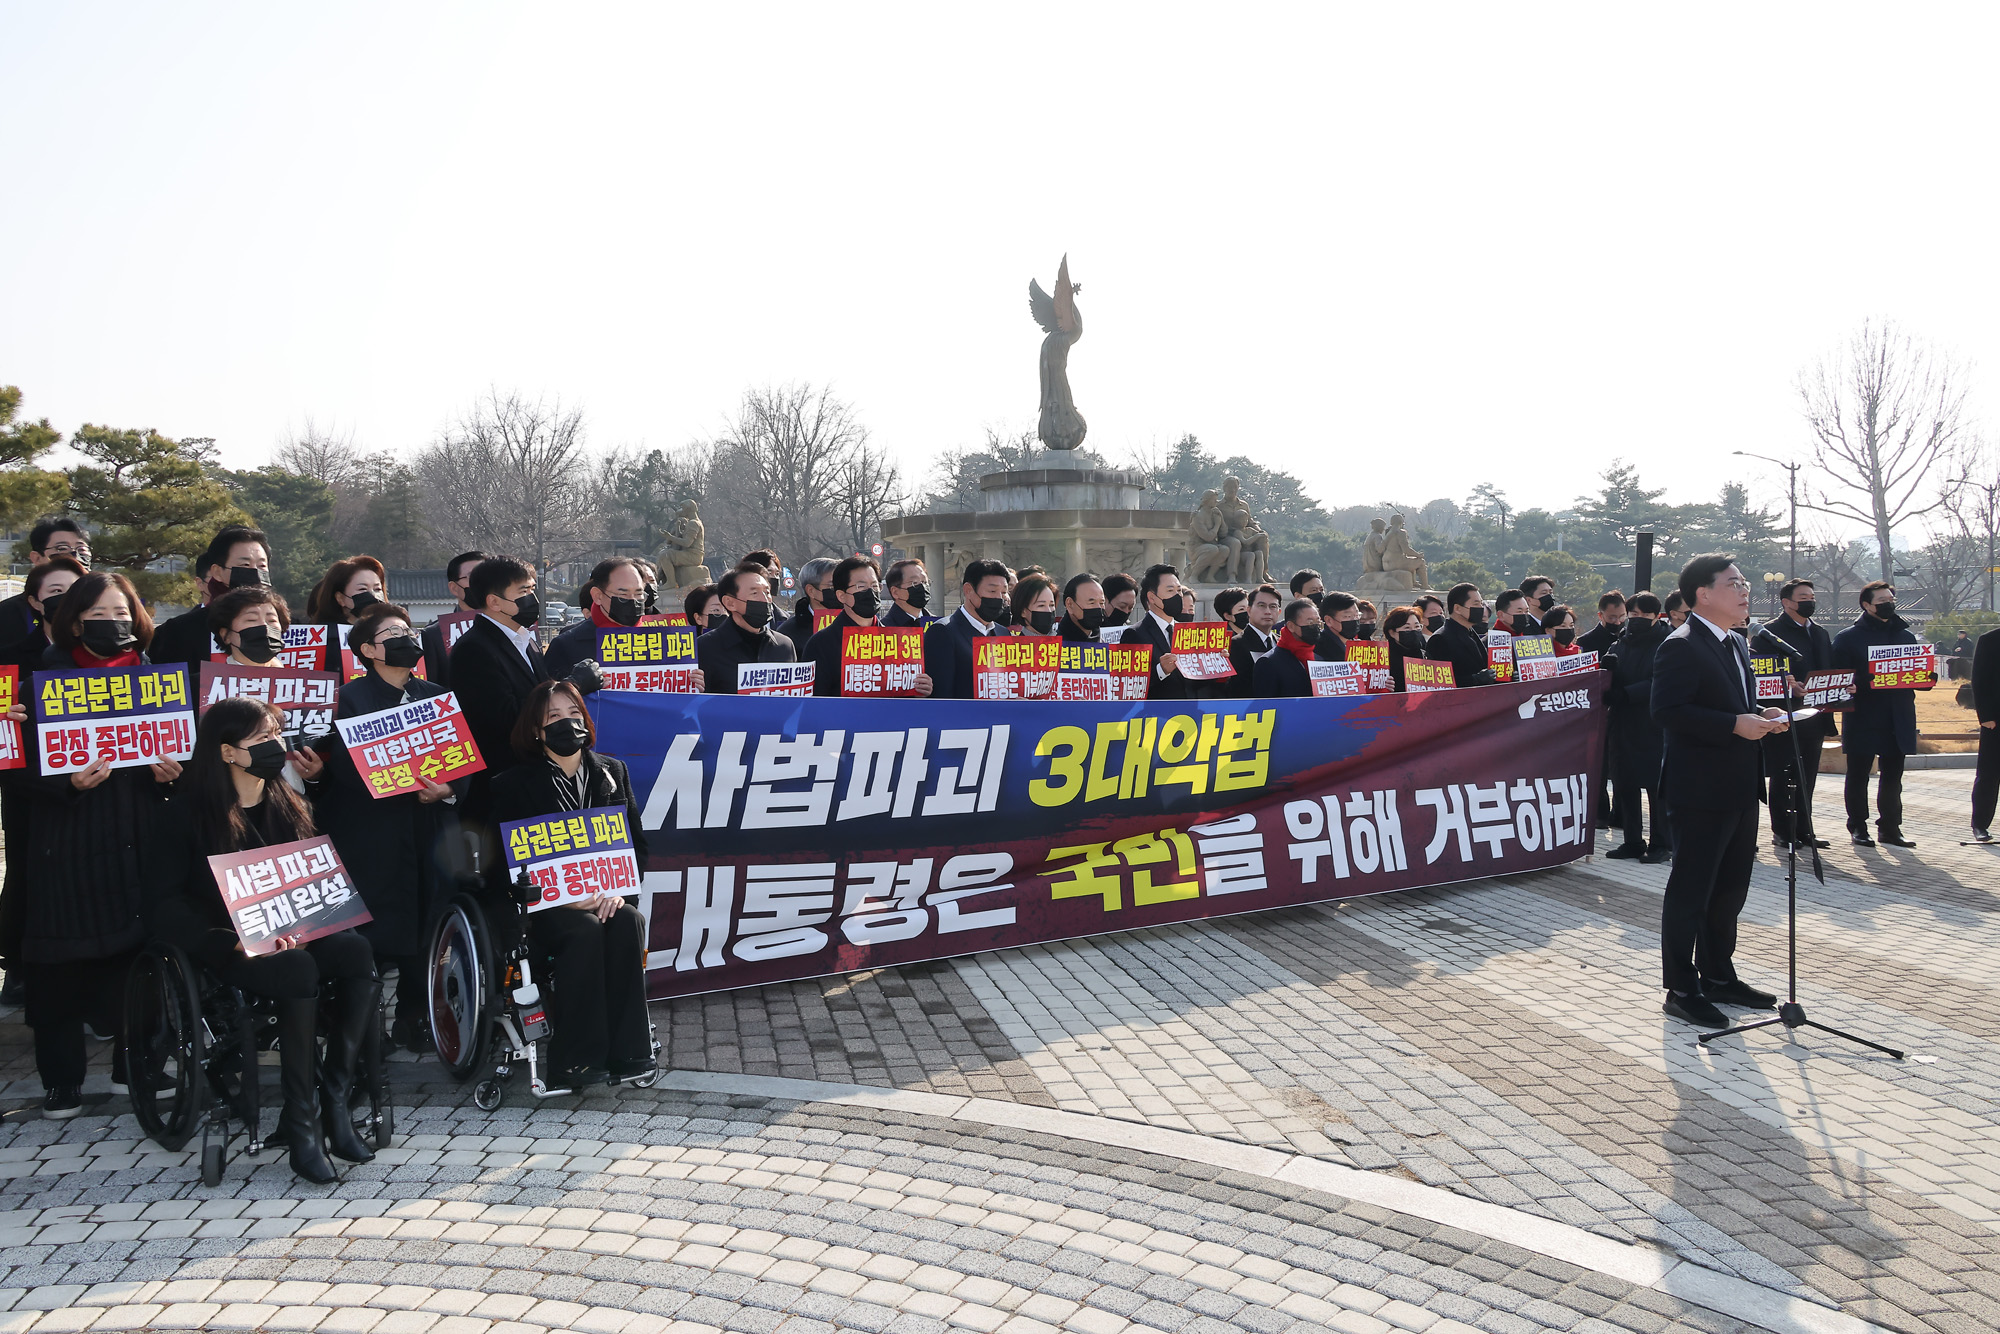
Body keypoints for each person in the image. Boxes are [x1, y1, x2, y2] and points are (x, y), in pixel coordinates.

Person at [154, 697, 378, 1181]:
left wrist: (319, 916)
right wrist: (229, 939)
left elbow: (312, 881)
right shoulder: (185, 814)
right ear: (227, 751)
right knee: (298, 969)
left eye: (277, 733)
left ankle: (334, 1099)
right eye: (261, 739)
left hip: (295, 933)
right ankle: (302, 1124)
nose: (276, 746)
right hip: (231, 946)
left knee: (356, 950)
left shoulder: (289, 802)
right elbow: (165, 905)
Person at [18, 571, 179, 1119]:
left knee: (144, 957)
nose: (114, 625)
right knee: (60, 963)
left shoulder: (154, 678)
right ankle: (62, 1080)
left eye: (122, 614)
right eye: (101, 615)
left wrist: (172, 775)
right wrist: (62, 783)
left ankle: (138, 1067)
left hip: (139, 834)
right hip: (67, 841)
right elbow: (13, 771)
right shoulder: (38, 679)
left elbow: (182, 755)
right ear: (74, 620)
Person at [485, 681, 654, 1088]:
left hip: (604, 895)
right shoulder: (511, 785)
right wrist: (559, 895)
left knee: (627, 919)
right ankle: (575, 1060)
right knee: (583, 930)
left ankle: (630, 1051)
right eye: (555, 718)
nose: (568, 724)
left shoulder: (613, 772)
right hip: (542, 909)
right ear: (536, 731)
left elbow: (637, 848)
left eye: (574, 714)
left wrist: (618, 889)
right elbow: (499, 867)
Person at [314, 602, 466, 1052]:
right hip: (369, 831)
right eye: (393, 633)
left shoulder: (437, 695)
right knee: (372, 930)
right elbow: (333, 766)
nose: (407, 638)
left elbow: (460, 760)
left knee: (428, 923)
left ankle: (415, 1017)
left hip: (428, 827)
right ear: (367, 650)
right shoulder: (346, 700)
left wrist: (448, 790)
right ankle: (364, 1026)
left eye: (408, 630)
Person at [1651, 554, 1789, 1030]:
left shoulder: (1735, 641)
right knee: (1692, 889)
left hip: (1738, 785)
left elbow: (1733, 703)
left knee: (1729, 889)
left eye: (1745, 581)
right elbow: (1668, 711)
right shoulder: (1681, 645)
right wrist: (1734, 724)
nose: (1745, 589)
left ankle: (1718, 975)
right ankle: (1681, 987)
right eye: (1734, 583)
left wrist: (1761, 713)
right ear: (1703, 595)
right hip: (1699, 790)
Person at [0, 557, 85, 1006]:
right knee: (29, 872)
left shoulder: (105, 662)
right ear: (34, 601)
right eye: (54, 592)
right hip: (30, 792)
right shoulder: (10, 658)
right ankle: (20, 963)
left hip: (92, 788)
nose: (66, 600)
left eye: (76, 590)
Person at [449, 557, 553, 819]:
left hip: (535, 779)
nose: (532, 599)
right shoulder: (474, 649)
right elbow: (505, 717)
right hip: (501, 788)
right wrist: (572, 687)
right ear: (494, 601)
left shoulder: (526, 639)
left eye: (532, 590)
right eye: (523, 592)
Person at [1832, 581, 1921, 848]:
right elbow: (1839, 677)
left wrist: (1926, 676)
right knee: (1859, 774)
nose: (1888, 603)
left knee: (1893, 775)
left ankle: (1891, 827)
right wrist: (1871, 681)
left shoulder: (1905, 636)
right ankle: (1858, 826)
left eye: (1890, 598)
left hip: (1899, 715)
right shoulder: (1848, 638)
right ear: (1867, 605)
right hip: (1864, 716)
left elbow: (1916, 674)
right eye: (1881, 600)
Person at [1757, 579, 1836, 849]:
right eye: (1803, 596)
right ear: (1787, 602)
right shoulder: (1769, 633)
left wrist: (1842, 686)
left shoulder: (1821, 633)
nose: (1809, 601)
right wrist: (1788, 686)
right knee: (1783, 772)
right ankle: (1782, 830)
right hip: (1784, 715)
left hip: (1815, 713)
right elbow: (1761, 676)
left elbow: (1829, 668)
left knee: (1807, 774)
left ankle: (1805, 828)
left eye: (1812, 596)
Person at [1602, 594, 1671, 862]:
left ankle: (1660, 843)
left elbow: (1662, 681)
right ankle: (1632, 840)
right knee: (1624, 783)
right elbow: (1613, 678)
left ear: (1657, 616)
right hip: (1621, 724)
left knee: (1656, 788)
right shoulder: (1620, 641)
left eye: (1644, 615)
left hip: (1652, 724)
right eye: (1634, 614)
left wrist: (1626, 694)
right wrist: (1608, 673)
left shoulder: (1668, 643)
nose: (1637, 620)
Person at [149, 525, 273, 671]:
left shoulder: (286, 626)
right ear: (218, 572)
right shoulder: (178, 632)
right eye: (244, 565)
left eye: (261, 565)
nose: (254, 572)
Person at [807, 557, 935, 697]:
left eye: (875, 586)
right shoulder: (821, 644)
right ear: (841, 596)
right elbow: (816, 702)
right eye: (861, 587)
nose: (871, 592)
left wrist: (921, 688)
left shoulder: (899, 641)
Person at [0, 519, 91, 661]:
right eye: (61, 549)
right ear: (36, 558)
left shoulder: (102, 610)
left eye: (82, 549)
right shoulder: (6, 615)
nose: (74, 556)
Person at [695, 567, 796, 693]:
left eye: (767, 592)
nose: (764, 599)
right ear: (730, 603)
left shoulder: (784, 646)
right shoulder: (705, 648)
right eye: (754, 593)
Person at [923, 559, 1012, 700]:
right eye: (992, 591)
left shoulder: (1004, 634)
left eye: (1004, 592)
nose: (999, 598)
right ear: (969, 590)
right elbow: (941, 696)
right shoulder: (943, 632)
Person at [546, 556, 645, 679]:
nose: (632, 600)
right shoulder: (566, 645)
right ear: (598, 596)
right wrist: (576, 685)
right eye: (623, 594)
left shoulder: (663, 640)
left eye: (638, 593)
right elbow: (547, 695)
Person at [1122, 564, 1195, 700]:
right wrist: (1161, 670)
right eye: (1170, 591)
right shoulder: (1134, 634)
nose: (1177, 596)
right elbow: (1130, 686)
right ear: (1152, 597)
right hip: (1156, 716)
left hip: (1191, 715)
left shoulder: (1188, 633)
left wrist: (1216, 664)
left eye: (1179, 590)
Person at [422, 551, 488, 688]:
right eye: (473, 577)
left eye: (487, 575)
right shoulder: (434, 635)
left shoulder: (513, 625)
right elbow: (432, 688)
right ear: (454, 588)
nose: (482, 583)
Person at [1425, 583, 1494, 687]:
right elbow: (1439, 681)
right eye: (1476, 604)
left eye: (1481, 603)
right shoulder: (1440, 639)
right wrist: (1475, 679)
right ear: (1457, 608)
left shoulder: (1471, 633)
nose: (1480, 608)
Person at [208, 586, 292, 669]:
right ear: (226, 635)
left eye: (272, 620)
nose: (264, 626)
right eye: (251, 620)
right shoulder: (203, 682)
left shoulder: (300, 681)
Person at [1251, 598, 1322, 697]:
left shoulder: (1319, 660)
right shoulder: (1269, 662)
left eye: (1318, 622)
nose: (1316, 627)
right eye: (1310, 623)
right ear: (1291, 626)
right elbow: (1265, 706)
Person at [1230, 584, 1284, 694]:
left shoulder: (1281, 644)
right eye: (1261, 606)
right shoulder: (1235, 644)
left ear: (1279, 612)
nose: (1268, 611)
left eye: (1273, 606)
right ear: (1248, 611)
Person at [1973, 624, 1997, 842]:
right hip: (1995, 721)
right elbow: (1979, 680)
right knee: (1989, 774)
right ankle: (1980, 825)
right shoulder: (1989, 640)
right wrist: (1986, 716)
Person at [784, 557, 840, 653]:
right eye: (832, 586)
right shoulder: (789, 633)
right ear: (811, 590)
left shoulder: (857, 623)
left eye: (842, 585)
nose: (839, 591)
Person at [883, 559, 936, 627]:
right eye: (914, 583)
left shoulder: (937, 625)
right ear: (895, 592)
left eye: (924, 582)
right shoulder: (884, 630)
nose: (922, 587)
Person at [1056, 574, 1108, 642]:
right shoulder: (1054, 647)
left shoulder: (1104, 646)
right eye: (1091, 603)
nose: (1098, 608)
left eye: (1101, 603)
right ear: (1070, 604)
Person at [1384, 605, 1424, 692]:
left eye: (1417, 627)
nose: (1413, 631)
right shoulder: (1383, 659)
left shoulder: (1425, 655)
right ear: (1392, 633)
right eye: (1407, 628)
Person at [1008, 572, 1059, 637]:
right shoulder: (1014, 646)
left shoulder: (1066, 644)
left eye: (1051, 605)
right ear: (1023, 611)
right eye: (1041, 605)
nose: (1049, 610)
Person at [1578, 591, 1628, 656]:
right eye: (1612, 618)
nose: (1618, 622)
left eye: (1622, 617)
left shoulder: (1631, 638)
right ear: (1600, 616)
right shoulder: (1585, 642)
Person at [1312, 591, 1355, 663]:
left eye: (1357, 615)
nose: (1354, 620)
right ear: (1329, 621)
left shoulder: (1360, 647)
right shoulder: (1318, 649)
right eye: (1348, 616)